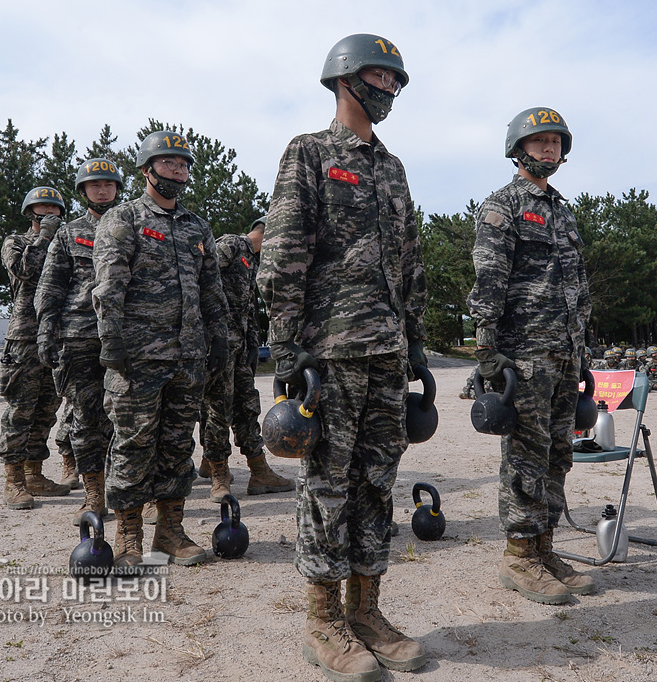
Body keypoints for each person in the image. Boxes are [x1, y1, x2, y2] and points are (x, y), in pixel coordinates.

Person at [256, 34, 427, 680]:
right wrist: (289, 350)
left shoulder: (394, 168)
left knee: (376, 484)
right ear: (345, 80)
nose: (388, 89)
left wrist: (414, 342)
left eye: (395, 79)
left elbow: (411, 262)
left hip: (386, 352)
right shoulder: (310, 153)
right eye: (378, 76)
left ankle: (368, 610)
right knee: (328, 484)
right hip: (330, 353)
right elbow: (282, 258)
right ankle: (322, 621)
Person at [467, 105, 594, 608]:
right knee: (525, 454)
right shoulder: (502, 207)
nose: (549, 149)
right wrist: (486, 350)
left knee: (559, 453)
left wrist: (581, 351)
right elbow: (489, 282)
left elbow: (578, 288)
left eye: (556, 142)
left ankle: (545, 547)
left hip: (565, 353)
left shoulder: (563, 211)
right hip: (523, 357)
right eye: (539, 141)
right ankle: (519, 557)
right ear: (518, 148)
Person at [92, 130, 229, 569]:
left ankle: (169, 530)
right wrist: (111, 342)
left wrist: (221, 339)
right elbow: (109, 287)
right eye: (169, 163)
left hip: (187, 358)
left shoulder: (196, 227)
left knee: (175, 445)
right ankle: (129, 534)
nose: (178, 171)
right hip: (137, 359)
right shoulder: (123, 219)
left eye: (184, 165)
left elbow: (212, 291)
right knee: (133, 444)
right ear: (147, 169)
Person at [36, 157, 124, 524]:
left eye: (108, 184)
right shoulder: (69, 233)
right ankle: (93, 495)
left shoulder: (132, 225)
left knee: (134, 421)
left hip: (128, 339)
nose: (102, 190)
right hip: (81, 338)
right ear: (83, 191)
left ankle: (137, 493)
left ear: (118, 189)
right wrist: (46, 331)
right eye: (95, 185)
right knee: (87, 422)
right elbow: (50, 285)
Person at [198, 217, 293, 500]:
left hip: (238, 350)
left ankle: (258, 470)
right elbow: (202, 282)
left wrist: (253, 344)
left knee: (247, 405)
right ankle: (219, 474)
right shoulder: (230, 245)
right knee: (217, 409)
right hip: (217, 346)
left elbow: (250, 309)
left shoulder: (253, 263)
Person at [0, 186, 70, 510]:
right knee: (20, 412)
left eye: (53, 210)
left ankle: (34, 474)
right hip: (25, 338)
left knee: (45, 412)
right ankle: (14, 481)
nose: (47, 214)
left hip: (57, 337)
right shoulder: (17, 242)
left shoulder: (67, 245)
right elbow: (25, 271)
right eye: (41, 210)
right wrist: (45, 238)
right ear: (31, 213)